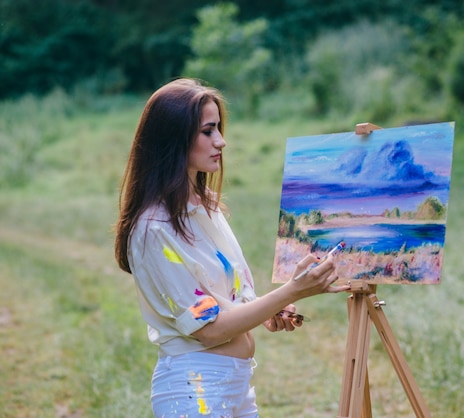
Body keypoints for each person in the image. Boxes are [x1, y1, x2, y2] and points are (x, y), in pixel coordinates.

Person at [114, 78, 349, 417]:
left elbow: (224, 304)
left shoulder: (203, 206)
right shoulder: (155, 228)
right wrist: (290, 293)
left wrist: (271, 306)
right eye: (208, 131)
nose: (221, 141)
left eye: (219, 129)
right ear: (173, 138)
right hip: (196, 391)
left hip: (234, 386)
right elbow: (209, 330)